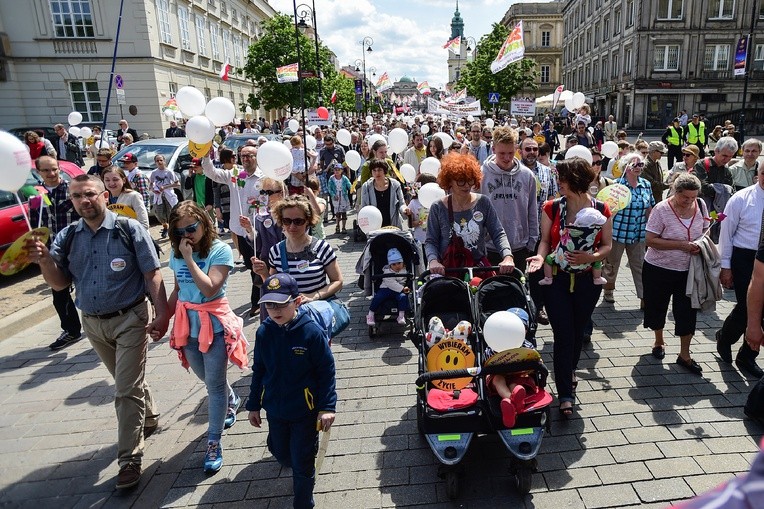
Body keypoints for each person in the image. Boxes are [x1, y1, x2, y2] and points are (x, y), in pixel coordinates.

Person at [25, 174, 169, 489]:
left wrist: (161, 314)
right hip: (92, 322)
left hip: (130, 317)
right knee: (126, 381)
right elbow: (59, 283)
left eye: (89, 194)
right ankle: (152, 416)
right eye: (77, 197)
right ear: (72, 201)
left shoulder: (128, 229)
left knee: (124, 390)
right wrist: (45, 259)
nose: (84, 201)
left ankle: (129, 459)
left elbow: (151, 272)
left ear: (104, 195)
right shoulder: (68, 235)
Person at [526, 158, 613, 417]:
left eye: (561, 179)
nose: (557, 183)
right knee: (563, 333)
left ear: (574, 180)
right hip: (558, 280)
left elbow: (607, 244)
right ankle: (565, 393)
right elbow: (544, 241)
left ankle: (570, 369)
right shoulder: (552, 207)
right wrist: (542, 258)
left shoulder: (600, 208)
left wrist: (591, 258)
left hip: (587, 280)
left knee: (577, 333)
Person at [166, 201, 246, 474]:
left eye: (191, 228)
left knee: (213, 386)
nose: (186, 235)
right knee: (208, 379)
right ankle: (231, 399)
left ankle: (213, 441)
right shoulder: (176, 253)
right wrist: (161, 319)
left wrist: (189, 259)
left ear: (204, 222)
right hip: (186, 326)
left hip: (214, 325)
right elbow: (178, 289)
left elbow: (210, 289)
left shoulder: (220, 250)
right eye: (179, 232)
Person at [246, 272, 337, 509]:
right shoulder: (264, 332)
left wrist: (326, 407)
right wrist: (253, 404)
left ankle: (303, 502)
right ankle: (279, 444)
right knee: (282, 454)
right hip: (275, 408)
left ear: (297, 302)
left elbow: (326, 370)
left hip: (304, 411)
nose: (275, 310)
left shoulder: (311, 332)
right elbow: (259, 370)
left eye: (282, 303)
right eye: (269, 304)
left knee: (301, 462)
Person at [642, 173, 708, 374]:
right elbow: (650, 240)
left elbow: (706, 228)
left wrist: (701, 243)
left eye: (693, 197)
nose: (689, 201)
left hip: (689, 269)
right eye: (685, 197)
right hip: (659, 268)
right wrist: (681, 245)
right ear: (675, 192)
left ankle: (685, 354)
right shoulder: (661, 210)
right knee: (657, 306)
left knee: (687, 310)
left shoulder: (702, 205)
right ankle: (659, 340)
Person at [425, 153, 515, 276]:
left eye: (470, 180)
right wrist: (433, 261)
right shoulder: (438, 207)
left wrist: (507, 256)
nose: (467, 185)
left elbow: (498, 232)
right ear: (450, 181)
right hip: (448, 271)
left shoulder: (483, 202)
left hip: (478, 269)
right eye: (461, 181)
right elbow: (431, 241)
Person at [251, 195, 343, 307]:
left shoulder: (322, 247)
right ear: (281, 221)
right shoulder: (276, 251)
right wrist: (264, 273)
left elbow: (338, 281)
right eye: (287, 221)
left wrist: (314, 296)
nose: (292, 226)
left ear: (308, 221)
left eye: (298, 221)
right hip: (288, 315)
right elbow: (274, 285)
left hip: (317, 312)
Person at [202, 146, 263, 316]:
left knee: (260, 263)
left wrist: (255, 206)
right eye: (242, 156)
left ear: (256, 157)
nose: (245, 159)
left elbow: (266, 201)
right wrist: (206, 156)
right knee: (251, 265)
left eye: (249, 155)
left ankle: (257, 300)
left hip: (259, 228)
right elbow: (212, 173)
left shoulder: (263, 177)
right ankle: (259, 297)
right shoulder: (235, 174)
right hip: (240, 230)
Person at [29, 156, 82, 351]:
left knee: (89, 287)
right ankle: (71, 330)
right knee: (59, 294)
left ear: (59, 169)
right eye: (46, 171)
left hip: (77, 247)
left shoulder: (72, 190)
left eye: (54, 169)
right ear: (39, 172)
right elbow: (34, 223)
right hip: (53, 252)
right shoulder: (35, 195)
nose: (51, 174)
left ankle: (100, 326)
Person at [717, 163, 764, 378]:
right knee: (747, 307)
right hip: (745, 256)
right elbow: (726, 234)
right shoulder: (741, 199)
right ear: (757, 175)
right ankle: (725, 338)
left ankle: (747, 356)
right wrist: (725, 266)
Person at [480, 126, 539, 272]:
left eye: (510, 153)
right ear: (493, 149)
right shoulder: (482, 174)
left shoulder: (527, 175)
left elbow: (532, 209)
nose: (507, 158)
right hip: (490, 246)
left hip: (519, 245)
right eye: (502, 153)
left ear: (517, 149)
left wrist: (532, 241)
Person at [602, 153, 654, 305]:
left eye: (641, 164)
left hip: (638, 233)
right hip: (618, 232)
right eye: (634, 164)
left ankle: (644, 297)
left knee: (640, 266)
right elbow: (608, 210)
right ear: (626, 167)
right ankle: (608, 290)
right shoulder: (617, 185)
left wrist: (652, 227)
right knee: (612, 264)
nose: (638, 167)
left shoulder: (646, 184)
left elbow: (650, 207)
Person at [539, 205, 608, 286]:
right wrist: (592, 258)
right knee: (597, 261)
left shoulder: (570, 227)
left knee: (548, 259)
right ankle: (597, 278)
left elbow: (561, 234)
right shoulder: (593, 231)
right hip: (587, 259)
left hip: (563, 258)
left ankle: (548, 278)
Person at [694, 136, 736, 242]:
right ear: (716, 151)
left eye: (730, 157)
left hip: (719, 212)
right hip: (702, 209)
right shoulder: (701, 165)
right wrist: (722, 190)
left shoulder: (726, 170)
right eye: (724, 155)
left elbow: (731, 192)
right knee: (702, 238)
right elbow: (703, 189)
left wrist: (716, 189)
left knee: (716, 236)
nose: (726, 160)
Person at [359, 158, 408, 229]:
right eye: (374, 170)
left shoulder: (395, 185)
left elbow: (401, 204)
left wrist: (405, 210)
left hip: (393, 226)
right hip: (374, 227)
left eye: (379, 170)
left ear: (385, 171)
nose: (377, 173)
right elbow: (364, 208)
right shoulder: (366, 187)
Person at [367, 248, 410, 326]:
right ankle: (371, 314)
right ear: (390, 265)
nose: (397, 266)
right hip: (386, 288)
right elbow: (391, 283)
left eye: (399, 263)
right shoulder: (387, 271)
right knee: (378, 297)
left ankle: (401, 316)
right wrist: (402, 288)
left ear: (403, 262)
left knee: (403, 297)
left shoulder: (405, 270)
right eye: (394, 264)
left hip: (398, 290)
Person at [101, 166, 150, 230]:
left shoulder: (134, 196)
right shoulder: (102, 198)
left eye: (115, 179)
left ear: (123, 180)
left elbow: (144, 224)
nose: (111, 183)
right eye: (107, 180)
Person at [149, 154, 180, 238]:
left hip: (168, 195)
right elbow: (151, 184)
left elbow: (177, 184)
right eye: (157, 161)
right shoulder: (154, 173)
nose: (159, 162)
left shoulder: (169, 172)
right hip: (158, 196)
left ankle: (172, 230)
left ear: (164, 161)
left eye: (161, 160)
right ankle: (165, 227)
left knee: (171, 213)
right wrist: (153, 189)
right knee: (159, 214)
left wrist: (166, 187)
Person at [327, 162, 351, 235]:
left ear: (341, 170)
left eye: (338, 170)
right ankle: (337, 226)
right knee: (337, 213)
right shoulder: (332, 178)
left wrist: (352, 188)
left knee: (344, 212)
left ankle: (344, 227)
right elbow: (329, 188)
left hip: (343, 196)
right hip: (336, 197)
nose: (337, 171)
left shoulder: (344, 178)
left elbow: (348, 184)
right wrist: (333, 195)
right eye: (335, 169)